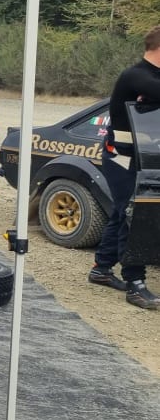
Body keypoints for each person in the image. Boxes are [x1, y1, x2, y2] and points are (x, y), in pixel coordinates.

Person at [89, 25, 160, 309]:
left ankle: (101, 269)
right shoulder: (136, 75)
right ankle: (135, 282)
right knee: (134, 213)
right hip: (121, 157)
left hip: (141, 156)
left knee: (121, 213)